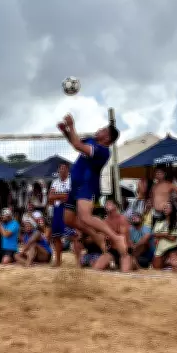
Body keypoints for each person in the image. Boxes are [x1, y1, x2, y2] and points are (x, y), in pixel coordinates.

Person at [58, 113, 131, 271]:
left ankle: (115, 237)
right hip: (76, 185)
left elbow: (77, 144)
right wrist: (65, 131)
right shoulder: (92, 141)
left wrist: (71, 125)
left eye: (103, 130)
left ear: (108, 138)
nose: (99, 130)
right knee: (69, 219)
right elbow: (74, 142)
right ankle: (96, 235)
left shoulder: (102, 150)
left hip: (87, 185)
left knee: (85, 216)